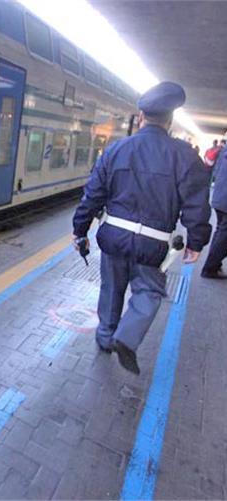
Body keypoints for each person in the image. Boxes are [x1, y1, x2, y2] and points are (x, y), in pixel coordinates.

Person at [72, 81, 212, 375]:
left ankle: (105, 337)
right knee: (149, 291)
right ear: (170, 121)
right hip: (152, 243)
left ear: (140, 117)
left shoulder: (116, 149)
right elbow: (196, 205)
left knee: (111, 288)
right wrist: (196, 242)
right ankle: (127, 336)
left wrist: (79, 229)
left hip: (113, 237)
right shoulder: (185, 155)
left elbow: (93, 195)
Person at [201, 145, 227, 278]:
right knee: (224, 234)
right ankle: (210, 268)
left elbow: (215, 172)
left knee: (221, 231)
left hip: (220, 195)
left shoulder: (224, 149)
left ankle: (214, 265)